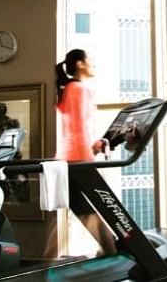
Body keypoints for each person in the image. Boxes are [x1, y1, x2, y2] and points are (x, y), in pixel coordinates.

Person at [55, 48, 117, 257]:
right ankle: (110, 250)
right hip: (78, 160)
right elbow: (79, 127)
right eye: (90, 60)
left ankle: (108, 249)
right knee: (93, 207)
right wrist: (89, 158)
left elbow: (75, 128)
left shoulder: (69, 88)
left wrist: (94, 146)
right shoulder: (80, 89)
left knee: (85, 210)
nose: (93, 64)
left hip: (71, 157)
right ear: (80, 64)